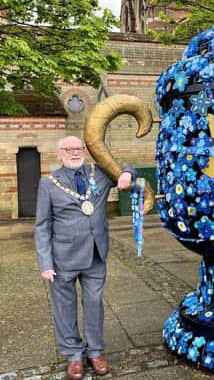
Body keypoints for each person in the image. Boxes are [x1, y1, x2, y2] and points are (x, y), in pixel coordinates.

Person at [34, 135, 135, 379]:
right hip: (63, 259)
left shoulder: (99, 173)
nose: (75, 152)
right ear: (59, 153)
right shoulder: (48, 183)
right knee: (64, 308)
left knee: (94, 305)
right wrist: (45, 263)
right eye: (68, 149)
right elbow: (42, 226)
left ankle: (95, 352)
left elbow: (126, 166)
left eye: (78, 148)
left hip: (95, 256)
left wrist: (127, 174)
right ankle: (74, 356)